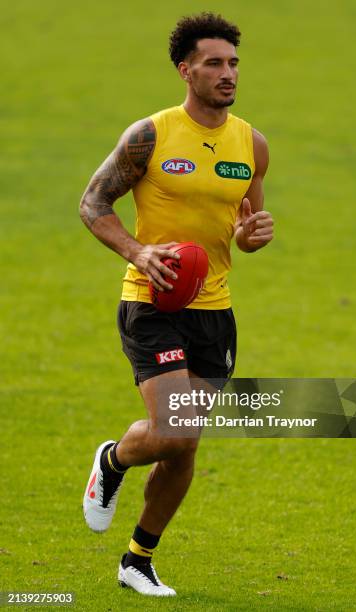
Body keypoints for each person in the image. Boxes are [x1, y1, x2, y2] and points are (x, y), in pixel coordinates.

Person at [79, 12, 273, 598]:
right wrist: (138, 252)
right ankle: (113, 460)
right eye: (214, 63)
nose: (227, 73)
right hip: (152, 300)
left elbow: (245, 222)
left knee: (185, 443)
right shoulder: (150, 136)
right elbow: (93, 204)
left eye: (233, 62)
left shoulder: (252, 143)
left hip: (214, 310)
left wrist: (251, 235)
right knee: (175, 431)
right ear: (185, 70)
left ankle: (138, 558)